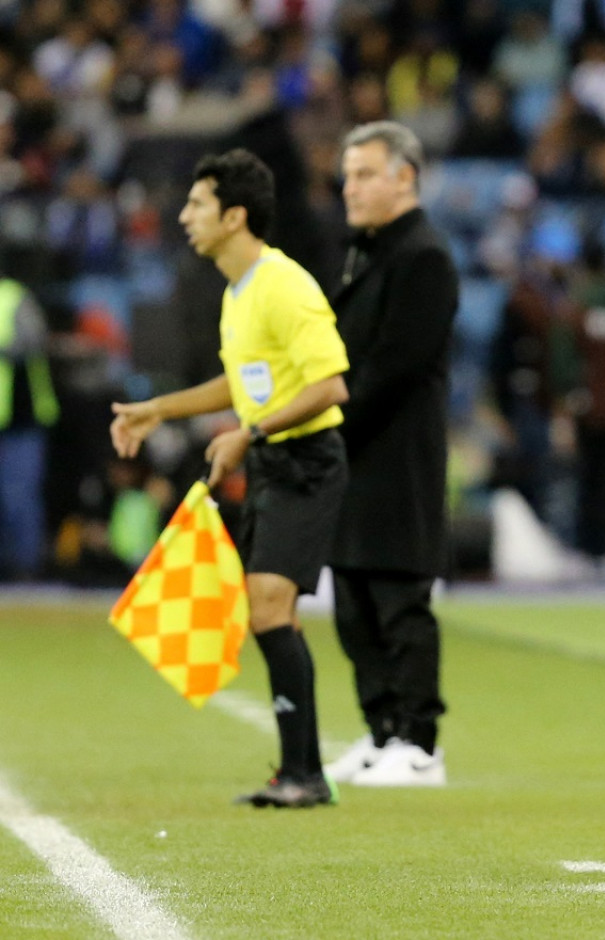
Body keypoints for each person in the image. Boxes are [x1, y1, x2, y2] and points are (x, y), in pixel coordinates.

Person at [110, 149, 350, 808]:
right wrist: (161, 409)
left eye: (197, 205)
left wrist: (251, 432)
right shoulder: (238, 291)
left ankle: (304, 774)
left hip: (307, 460)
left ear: (235, 216)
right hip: (274, 460)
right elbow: (241, 383)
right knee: (268, 609)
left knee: (269, 604)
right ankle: (300, 771)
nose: (184, 216)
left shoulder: (283, 284)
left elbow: (330, 385)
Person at [321, 121, 459, 787]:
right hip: (354, 454)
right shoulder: (367, 254)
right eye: (348, 175)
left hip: (397, 457)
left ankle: (419, 742)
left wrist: (324, 423)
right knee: (353, 601)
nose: (351, 187)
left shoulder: (423, 256)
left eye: (365, 174)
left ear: (405, 176)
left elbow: (394, 367)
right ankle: (381, 732)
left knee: (399, 599)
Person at [0, 274, 60, 581]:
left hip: (20, 420)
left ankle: (24, 571)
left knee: (18, 496)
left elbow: (34, 340)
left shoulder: (13, 295)